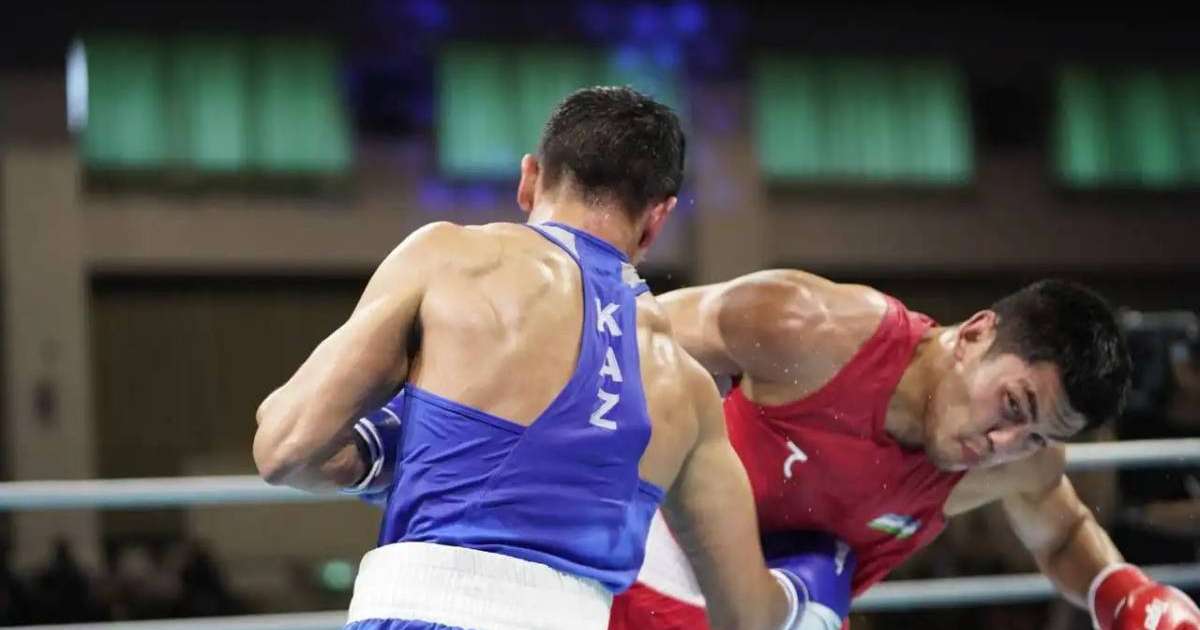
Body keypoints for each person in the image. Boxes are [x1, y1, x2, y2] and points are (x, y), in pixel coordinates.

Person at [254, 87, 850, 630]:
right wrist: (812, 591)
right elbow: (750, 618)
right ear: (658, 219)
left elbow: (284, 449)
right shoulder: (691, 392)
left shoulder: (450, 259)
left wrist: (384, 451)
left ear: (529, 178)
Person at [610, 269, 1200, 630]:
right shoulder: (814, 331)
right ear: (973, 335)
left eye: (1040, 435)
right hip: (643, 574)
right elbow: (618, 338)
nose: (1002, 444)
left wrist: (1120, 594)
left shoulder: (1019, 458)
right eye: (1014, 406)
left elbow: (1064, 531)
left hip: (798, 613)